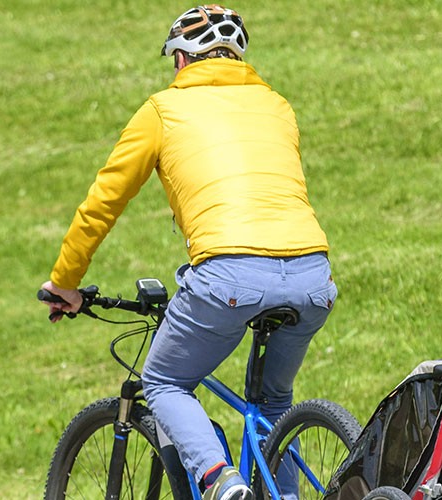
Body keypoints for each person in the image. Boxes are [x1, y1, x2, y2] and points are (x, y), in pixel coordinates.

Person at [37, 5, 336, 500]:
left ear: (181, 59)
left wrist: (65, 282)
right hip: (312, 276)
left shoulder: (163, 110)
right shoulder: (277, 105)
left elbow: (102, 204)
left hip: (229, 275)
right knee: (273, 400)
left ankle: (220, 481)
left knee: (165, 381)